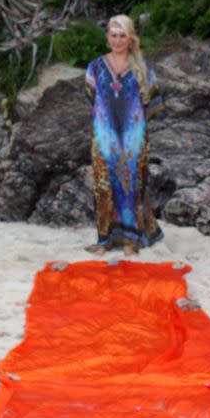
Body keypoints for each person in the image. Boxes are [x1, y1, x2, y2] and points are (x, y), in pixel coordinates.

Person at [84, 15, 164, 255]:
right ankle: (105, 239)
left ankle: (132, 239)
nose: (117, 40)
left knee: (131, 182)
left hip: (133, 135)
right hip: (104, 134)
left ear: (130, 38)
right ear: (107, 37)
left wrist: (134, 126)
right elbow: (91, 97)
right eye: (113, 35)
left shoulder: (143, 66)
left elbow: (152, 101)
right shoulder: (95, 66)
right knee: (103, 183)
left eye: (122, 36)